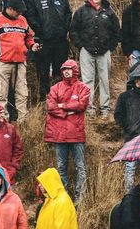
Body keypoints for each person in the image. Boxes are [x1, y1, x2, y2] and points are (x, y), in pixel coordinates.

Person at [0, 0, 40, 121]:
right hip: (2, 63)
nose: (19, 14)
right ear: (9, 8)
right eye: (17, 11)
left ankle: (23, 121)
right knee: (1, 94)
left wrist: (32, 45)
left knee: (22, 93)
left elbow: (29, 37)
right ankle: (2, 122)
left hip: (20, 61)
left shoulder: (23, 20)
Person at [70, 0, 121, 116]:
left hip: (104, 52)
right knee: (87, 81)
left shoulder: (109, 12)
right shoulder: (82, 11)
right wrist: (80, 45)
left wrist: (111, 46)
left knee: (104, 80)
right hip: (86, 51)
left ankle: (105, 109)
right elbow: (73, 30)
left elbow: (117, 32)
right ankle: (89, 109)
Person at [45, 60, 90, 204]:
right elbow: (50, 106)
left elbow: (81, 105)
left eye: (69, 69)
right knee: (61, 167)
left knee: (80, 167)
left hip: (76, 135)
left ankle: (79, 199)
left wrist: (62, 105)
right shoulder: (55, 88)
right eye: (64, 69)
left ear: (75, 70)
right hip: (59, 135)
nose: (66, 71)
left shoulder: (83, 88)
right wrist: (67, 112)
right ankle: (63, 199)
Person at [25, 0, 72, 101]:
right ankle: (43, 99)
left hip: (60, 40)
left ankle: (59, 98)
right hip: (43, 40)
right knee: (43, 71)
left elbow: (68, 13)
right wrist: (41, 30)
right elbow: (30, 16)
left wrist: (64, 28)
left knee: (60, 71)